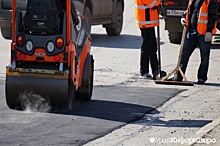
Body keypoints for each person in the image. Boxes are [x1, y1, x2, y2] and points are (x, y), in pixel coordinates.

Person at [177, 0, 217, 84]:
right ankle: (178, 76)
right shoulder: (192, 0)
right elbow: (189, 10)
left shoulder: (210, 1)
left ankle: (201, 78)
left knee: (204, 58)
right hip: (192, 31)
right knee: (184, 55)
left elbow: (213, 16)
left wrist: (209, 31)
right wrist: (183, 17)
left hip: (203, 33)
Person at [134, 0, 166, 80]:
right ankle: (144, 71)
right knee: (147, 47)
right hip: (145, 21)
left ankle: (155, 70)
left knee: (153, 47)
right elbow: (152, 3)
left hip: (149, 22)